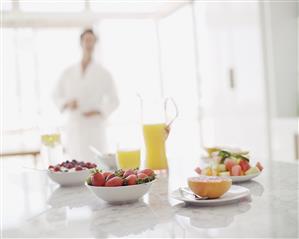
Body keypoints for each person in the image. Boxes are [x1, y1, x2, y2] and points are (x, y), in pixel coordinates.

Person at [53, 29, 119, 161]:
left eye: (92, 40)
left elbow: (114, 100)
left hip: (94, 128)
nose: (89, 43)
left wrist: (99, 111)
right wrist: (67, 103)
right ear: (81, 43)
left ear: (95, 44)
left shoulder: (103, 73)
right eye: (86, 40)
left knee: (96, 166)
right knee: (75, 165)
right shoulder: (68, 72)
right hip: (75, 127)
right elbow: (55, 95)